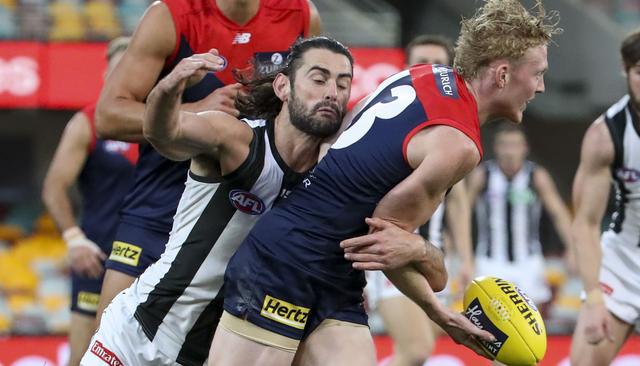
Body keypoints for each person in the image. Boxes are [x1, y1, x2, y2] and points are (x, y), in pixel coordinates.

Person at [209, 0, 562, 365]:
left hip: (334, 272)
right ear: (502, 75)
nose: (541, 87)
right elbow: (387, 241)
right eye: (537, 74)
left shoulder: (423, 74)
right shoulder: (459, 144)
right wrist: (435, 288)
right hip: (288, 263)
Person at [81, 37, 432, 366]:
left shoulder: (335, 182)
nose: (331, 93)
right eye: (319, 79)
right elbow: (164, 134)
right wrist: (168, 88)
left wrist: (423, 252)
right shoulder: (235, 138)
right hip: (135, 338)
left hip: (207, 354)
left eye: (342, 84)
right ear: (283, 87)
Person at [93, 0, 321, 320]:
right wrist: (196, 112)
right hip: (161, 209)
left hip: (252, 213)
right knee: (109, 340)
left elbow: (317, 112)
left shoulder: (300, 15)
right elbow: (108, 117)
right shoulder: (170, 16)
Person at [361, 33, 475, 366]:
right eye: (420, 63)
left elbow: (458, 201)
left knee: (423, 349)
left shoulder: (453, 128)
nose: (430, 71)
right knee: (416, 351)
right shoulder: (384, 121)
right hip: (391, 258)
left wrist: (465, 259)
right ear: (404, 69)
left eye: (438, 65)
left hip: (434, 258)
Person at [41, 37, 138, 366]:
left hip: (154, 258)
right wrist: (74, 239)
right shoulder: (89, 122)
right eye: (116, 71)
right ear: (104, 76)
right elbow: (55, 185)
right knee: (83, 358)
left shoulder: (167, 123)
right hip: (99, 258)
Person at [570, 24, 640, 366]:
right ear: (626, 70)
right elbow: (585, 223)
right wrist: (593, 299)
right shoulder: (605, 135)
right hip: (624, 263)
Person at [466, 124, 572, 319]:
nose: (509, 151)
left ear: (525, 148)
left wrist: (573, 248)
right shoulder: (483, 175)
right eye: (504, 145)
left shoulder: (536, 176)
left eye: (514, 145)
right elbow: (462, 213)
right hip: (490, 260)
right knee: (489, 319)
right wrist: (463, 255)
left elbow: (558, 213)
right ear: (496, 148)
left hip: (528, 260)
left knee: (532, 321)